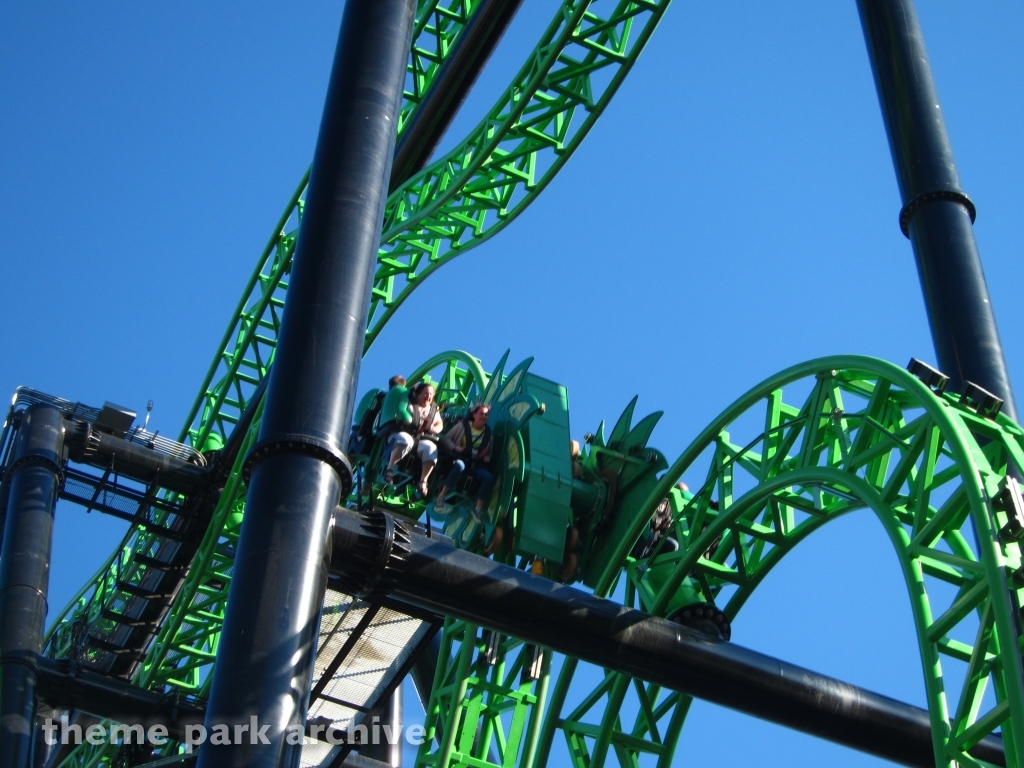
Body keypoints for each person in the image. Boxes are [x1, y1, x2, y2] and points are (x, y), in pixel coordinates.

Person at [383, 381, 443, 496]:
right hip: (402, 433)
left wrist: (435, 429)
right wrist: (411, 422)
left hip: (420, 439)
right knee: (406, 440)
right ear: (418, 393)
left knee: (431, 448)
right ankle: (389, 469)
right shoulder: (409, 401)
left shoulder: (433, 409)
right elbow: (401, 411)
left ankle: (423, 481)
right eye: (426, 393)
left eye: (431, 395)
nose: (428, 397)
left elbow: (440, 423)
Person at [435, 404, 493, 516]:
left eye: (486, 415)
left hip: (476, 464)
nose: (484, 416)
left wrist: (485, 458)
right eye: (481, 413)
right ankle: (441, 495)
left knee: (488, 477)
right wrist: (455, 447)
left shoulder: (488, 435)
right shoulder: (462, 426)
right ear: (474, 414)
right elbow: (446, 439)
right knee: (459, 466)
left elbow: (489, 453)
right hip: (460, 458)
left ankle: (477, 509)